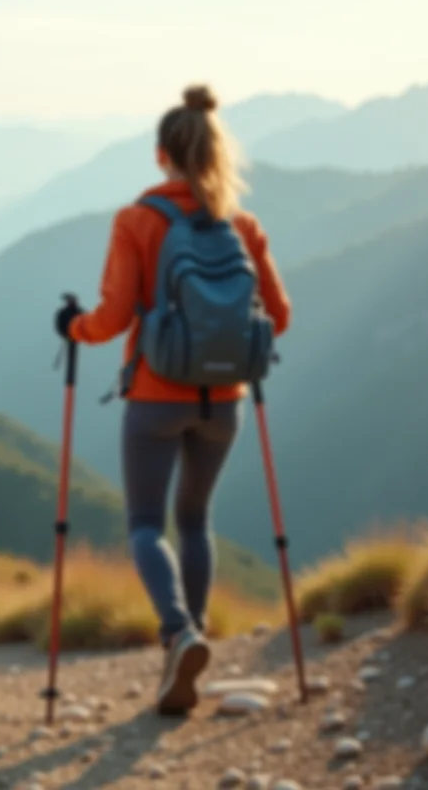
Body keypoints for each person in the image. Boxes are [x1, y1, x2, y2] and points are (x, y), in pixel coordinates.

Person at [53, 83, 292, 715]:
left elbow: (110, 319)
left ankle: (179, 633)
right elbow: (281, 317)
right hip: (225, 404)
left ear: (162, 155)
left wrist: (71, 327)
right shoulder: (242, 226)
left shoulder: (137, 220)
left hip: (157, 398)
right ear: (216, 153)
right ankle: (190, 643)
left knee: (142, 526)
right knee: (195, 522)